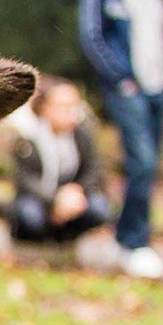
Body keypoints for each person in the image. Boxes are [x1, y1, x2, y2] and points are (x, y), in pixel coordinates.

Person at [78, 0, 163, 279]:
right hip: (128, 89)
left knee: (147, 167)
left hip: (158, 89)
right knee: (142, 163)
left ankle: (124, 237)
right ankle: (135, 243)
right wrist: (121, 79)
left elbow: (162, 39)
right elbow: (92, 36)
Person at [8, 77, 112, 244]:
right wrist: (55, 199)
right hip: (40, 198)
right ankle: (34, 240)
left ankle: (67, 237)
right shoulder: (28, 137)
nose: (71, 112)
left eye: (74, 106)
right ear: (45, 107)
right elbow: (24, 180)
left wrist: (76, 192)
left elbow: (94, 169)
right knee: (29, 214)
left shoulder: (82, 135)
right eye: (64, 106)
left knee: (98, 208)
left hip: (73, 197)